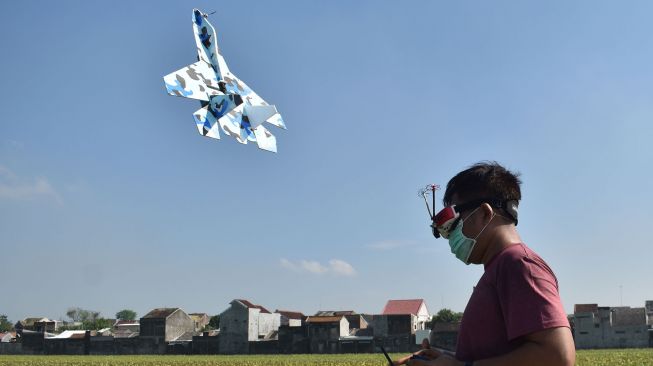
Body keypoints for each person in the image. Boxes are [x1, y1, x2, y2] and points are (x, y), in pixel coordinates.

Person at [423, 162, 575, 366]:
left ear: (485, 213)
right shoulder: (499, 269)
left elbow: (557, 356)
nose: (449, 237)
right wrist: (449, 359)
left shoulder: (518, 264)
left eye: (453, 225)